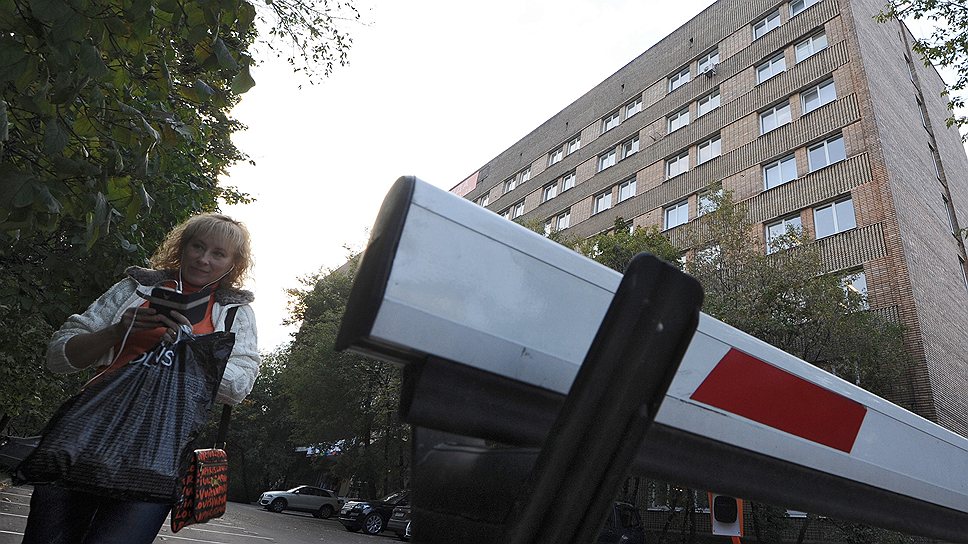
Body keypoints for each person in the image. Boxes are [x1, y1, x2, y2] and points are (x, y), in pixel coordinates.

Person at [21, 213, 260, 544]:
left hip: (156, 454)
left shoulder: (235, 313)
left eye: (218, 254)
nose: (204, 259)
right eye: (198, 246)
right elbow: (59, 357)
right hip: (85, 435)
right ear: (183, 247)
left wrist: (191, 349)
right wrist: (118, 330)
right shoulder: (136, 288)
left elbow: (239, 385)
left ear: (233, 264)